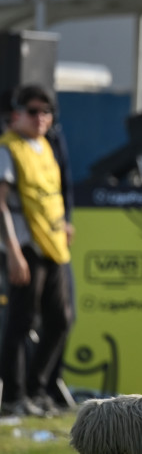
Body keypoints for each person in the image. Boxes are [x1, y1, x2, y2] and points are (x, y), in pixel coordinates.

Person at [0, 86, 73, 417]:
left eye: (46, 112)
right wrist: (12, 252)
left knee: (60, 320)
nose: (40, 117)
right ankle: (13, 397)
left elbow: (51, 195)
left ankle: (37, 388)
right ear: (15, 114)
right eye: (32, 111)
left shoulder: (46, 146)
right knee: (20, 322)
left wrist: (65, 225)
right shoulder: (8, 147)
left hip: (53, 246)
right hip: (25, 248)